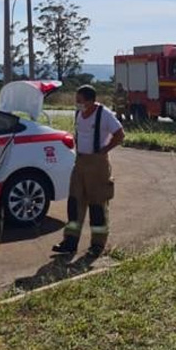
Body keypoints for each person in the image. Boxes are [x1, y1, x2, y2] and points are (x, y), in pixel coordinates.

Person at [53, 85, 125, 257]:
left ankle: (97, 245)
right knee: (74, 203)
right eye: (76, 100)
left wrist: (104, 150)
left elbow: (120, 134)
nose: (77, 104)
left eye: (80, 101)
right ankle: (70, 242)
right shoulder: (78, 114)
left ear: (91, 100)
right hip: (80, 162)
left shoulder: (104, 114)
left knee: (97, 205)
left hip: (97, 163)